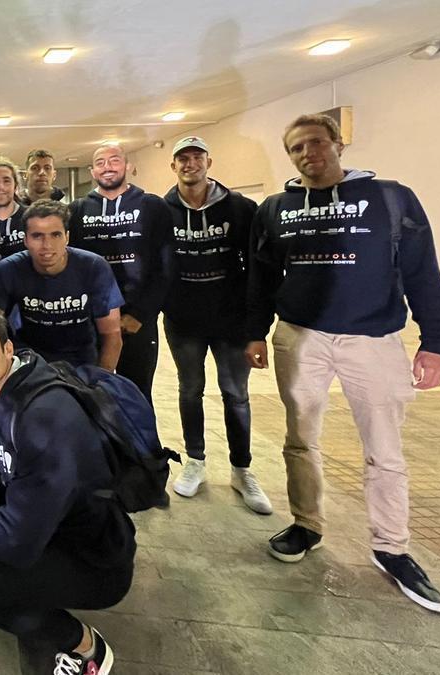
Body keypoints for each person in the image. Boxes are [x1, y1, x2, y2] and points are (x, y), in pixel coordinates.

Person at [247, 113, 440, 613]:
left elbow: (422, 268)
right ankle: (307, 524)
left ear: (338, 143)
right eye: (296, 148)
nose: (307, 153)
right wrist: (254, 330)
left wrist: (436, 340)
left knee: (384, 448)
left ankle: (392, 547)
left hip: (373, 339)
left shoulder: (389, 198)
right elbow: (263, 273)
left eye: (316, 142)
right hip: (300, 336)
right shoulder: (276, 207)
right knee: (301, 439)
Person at [0, 302, 135, 675]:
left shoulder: (43, 419)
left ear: (8, 348)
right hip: (52, 526)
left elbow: (15, 541)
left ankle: (86, 649)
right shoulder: (11, 383)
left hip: (94, 558)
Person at [162, 137, 272, 515]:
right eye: (183, 159)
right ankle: (195, 461)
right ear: (173, 166)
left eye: (196, 157)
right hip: (184, 320)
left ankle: (242, 470)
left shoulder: (241, 208)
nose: (190, 164)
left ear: (209, 161)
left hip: (231, 320)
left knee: (235, 393)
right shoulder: (162, 210)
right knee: (190, 389)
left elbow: (259, 268)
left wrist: (257, 326)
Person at [67, 143, 174, 404]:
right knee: (89, 392)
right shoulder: (78, 210)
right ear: (92, 171)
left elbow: (165, 268)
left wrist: (140, 314)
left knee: (136, 394)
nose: (108, 167)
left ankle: (141, 446)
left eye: (114, 160)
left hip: (138, 321)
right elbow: (72, 266)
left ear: (127, 166)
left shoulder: (152, 206)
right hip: (92, 320)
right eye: (101, 162)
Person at [0, 199, 123, 370]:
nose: (47, 245)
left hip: (82, 361)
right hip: (29, 360)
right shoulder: (8, 270)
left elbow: (111, 334)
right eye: (37, 236)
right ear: (25, 240)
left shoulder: (93, 267)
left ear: (67, 237)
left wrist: (101, 382)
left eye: (55, 235)